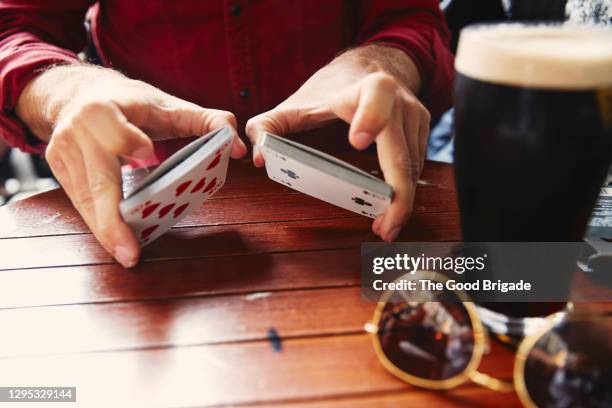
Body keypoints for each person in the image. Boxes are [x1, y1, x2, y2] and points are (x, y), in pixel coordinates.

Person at [0, 1, 454, 267]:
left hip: (361, 216)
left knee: (520, 273)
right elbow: (12, 29)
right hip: (158, 224)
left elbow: (411, 15)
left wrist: (379, 63)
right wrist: (70, 92)